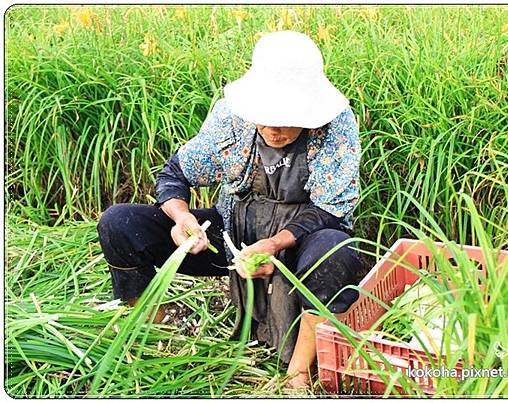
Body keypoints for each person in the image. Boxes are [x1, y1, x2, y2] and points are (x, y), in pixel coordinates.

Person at [97, 30, 363, 389]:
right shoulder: (231, 118)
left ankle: (298, 372)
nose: (272, 128)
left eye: (285, 118)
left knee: (335, 251)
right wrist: (183, 218)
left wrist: (274, 247)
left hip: (301, 240)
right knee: (120, 223)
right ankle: (155, 330)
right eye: (263, 117)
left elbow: (330, 209)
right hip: (233, 237)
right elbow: (175, 173)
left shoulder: (336, 125)